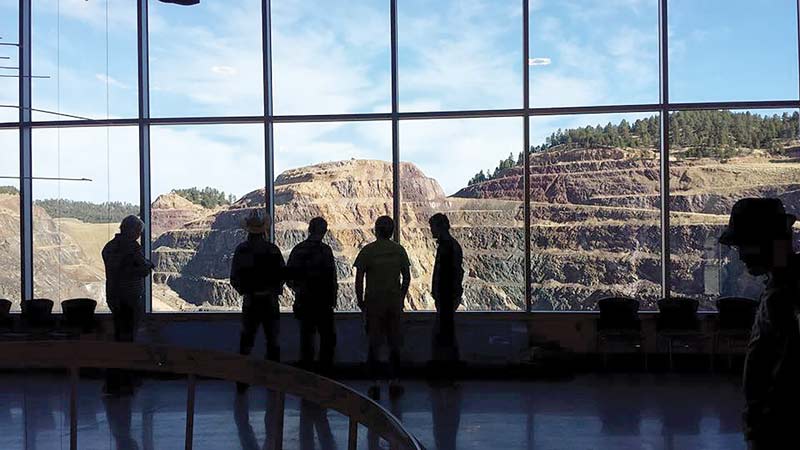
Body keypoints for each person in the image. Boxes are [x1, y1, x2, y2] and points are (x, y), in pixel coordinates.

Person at [718, 198, 800, 450]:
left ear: (764, 244)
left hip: (780, 425)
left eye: (745, 245)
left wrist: (764, 420)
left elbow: (787, 366)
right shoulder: (783, 284)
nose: (741, 255)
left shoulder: (786, 294)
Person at [354, 216, 411, 400]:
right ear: (392, 231)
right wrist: (400, 296)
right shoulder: (399, 250)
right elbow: (407, 277)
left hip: (374, 303)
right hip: (393, 304)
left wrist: (360, 299)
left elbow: (359, 278)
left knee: (374, 344)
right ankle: (394, 382)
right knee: (394, 344)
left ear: (376, 230)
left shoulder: (368, 251)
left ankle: (375, 384)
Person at [230, 211, 285, 391]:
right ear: (264, 230)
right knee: (273, 342)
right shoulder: (273, 250)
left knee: (246, 342)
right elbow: (282, 274)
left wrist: (246, 291)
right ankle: (274, 381)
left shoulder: (241, 249)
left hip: (250, 301)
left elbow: (234, 278)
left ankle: (242, 383)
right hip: (270, 301)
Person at [102, 215, 154, 396]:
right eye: (138, 231)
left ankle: (115, 381)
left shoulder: (109, 247)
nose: (139, 235)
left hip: (114, 297)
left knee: (119, 338)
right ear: (132, 231)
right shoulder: (131, 248)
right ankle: (124, 380)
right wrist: (146, 267)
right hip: (129, 299)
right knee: (128, 340)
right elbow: (140, 268)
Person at [286, 217, 338, 372]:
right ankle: (325, 375)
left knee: (307, 341)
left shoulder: (298, 249)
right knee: (328, 340)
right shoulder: (326, 251)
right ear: (324, 231)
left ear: (309, 229)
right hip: (324, 303)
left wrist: (300, 290)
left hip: (305, 302)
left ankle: (306, 377)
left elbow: (289, 277)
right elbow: (332, 279)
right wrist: (332, 299)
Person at [429, 213, 464, 368]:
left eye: (432, 227)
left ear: (440, 227)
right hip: (446, 295)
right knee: (446, 331)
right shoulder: (449, 245)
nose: (431, 231)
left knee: (445, 332)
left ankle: (446, 366)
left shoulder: (448, 246)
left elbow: (453, 273)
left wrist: (445, 293)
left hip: (446, 296)